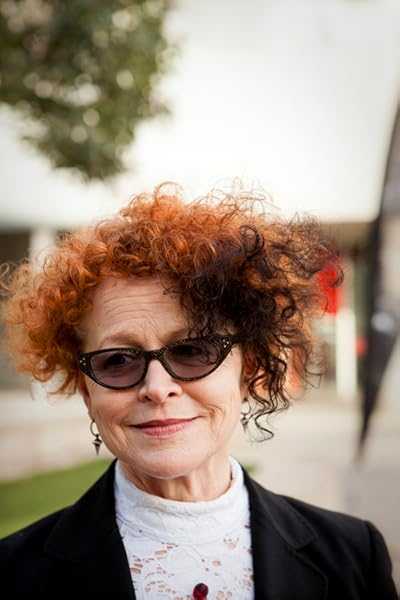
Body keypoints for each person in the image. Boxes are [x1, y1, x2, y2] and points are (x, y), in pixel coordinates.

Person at [0, 184, 397, 600]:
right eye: (117, 360)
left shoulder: (354, 557)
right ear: (86, 390)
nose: (157, 389)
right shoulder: (12, 575)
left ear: (250, 368)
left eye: (192, 351)